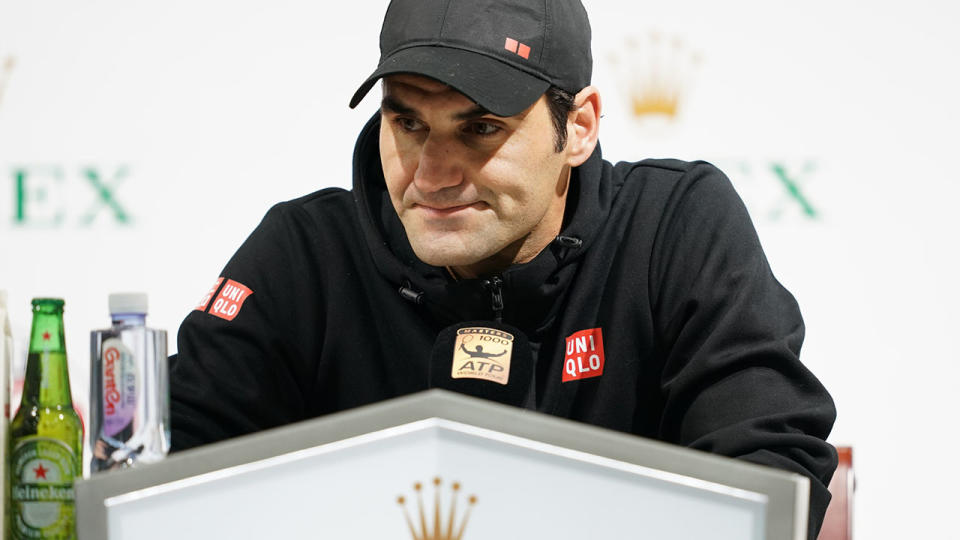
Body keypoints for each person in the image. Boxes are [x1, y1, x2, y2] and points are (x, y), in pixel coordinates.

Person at [169, 0, 837, 537]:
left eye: (480, 128)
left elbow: (768, 474)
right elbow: (173, 481)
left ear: (578, 127)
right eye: (408, 123)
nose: (431, 174)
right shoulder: (306, 253)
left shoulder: (674, 225)